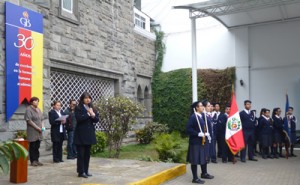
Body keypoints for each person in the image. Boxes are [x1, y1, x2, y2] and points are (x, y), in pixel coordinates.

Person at [186, 101, 214, 184]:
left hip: (202, 141)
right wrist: (198, 134)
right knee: (194, 160)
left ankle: (204, 173)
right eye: (201, 106)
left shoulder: (201, 116)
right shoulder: (193, 117)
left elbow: (203, 128)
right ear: (196, 108)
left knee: (203, 157)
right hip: (195, 142)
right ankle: (195, 178)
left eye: (202, 106)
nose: (203, 107)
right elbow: (188, 129)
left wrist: (206, 134)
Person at [74, 92, 99, 178]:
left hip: (89, 134)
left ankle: (86, 170)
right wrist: (88, 114)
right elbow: (79, 119)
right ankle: (81, 172)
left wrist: (92, 114)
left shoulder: (92, 108)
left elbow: (96, 119)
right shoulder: (78, 108)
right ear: (82, 99)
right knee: (81, 154)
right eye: (86, 98)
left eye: (89, 98)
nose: (88, 99)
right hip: (81, 134)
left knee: (87, 154)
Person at [24, 97, 44, 166]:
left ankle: (37, 160)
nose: (37, 102)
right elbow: (29, 120)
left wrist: (43, 126)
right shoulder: (28, 109)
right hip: (33, 131)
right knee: (33, 146)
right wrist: (37, 127)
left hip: (39, 131)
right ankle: (33, 161)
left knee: (37, 146)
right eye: (35, 101)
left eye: (38, 101)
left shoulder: (38, 109)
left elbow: (42, 119)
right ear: (31, 102)